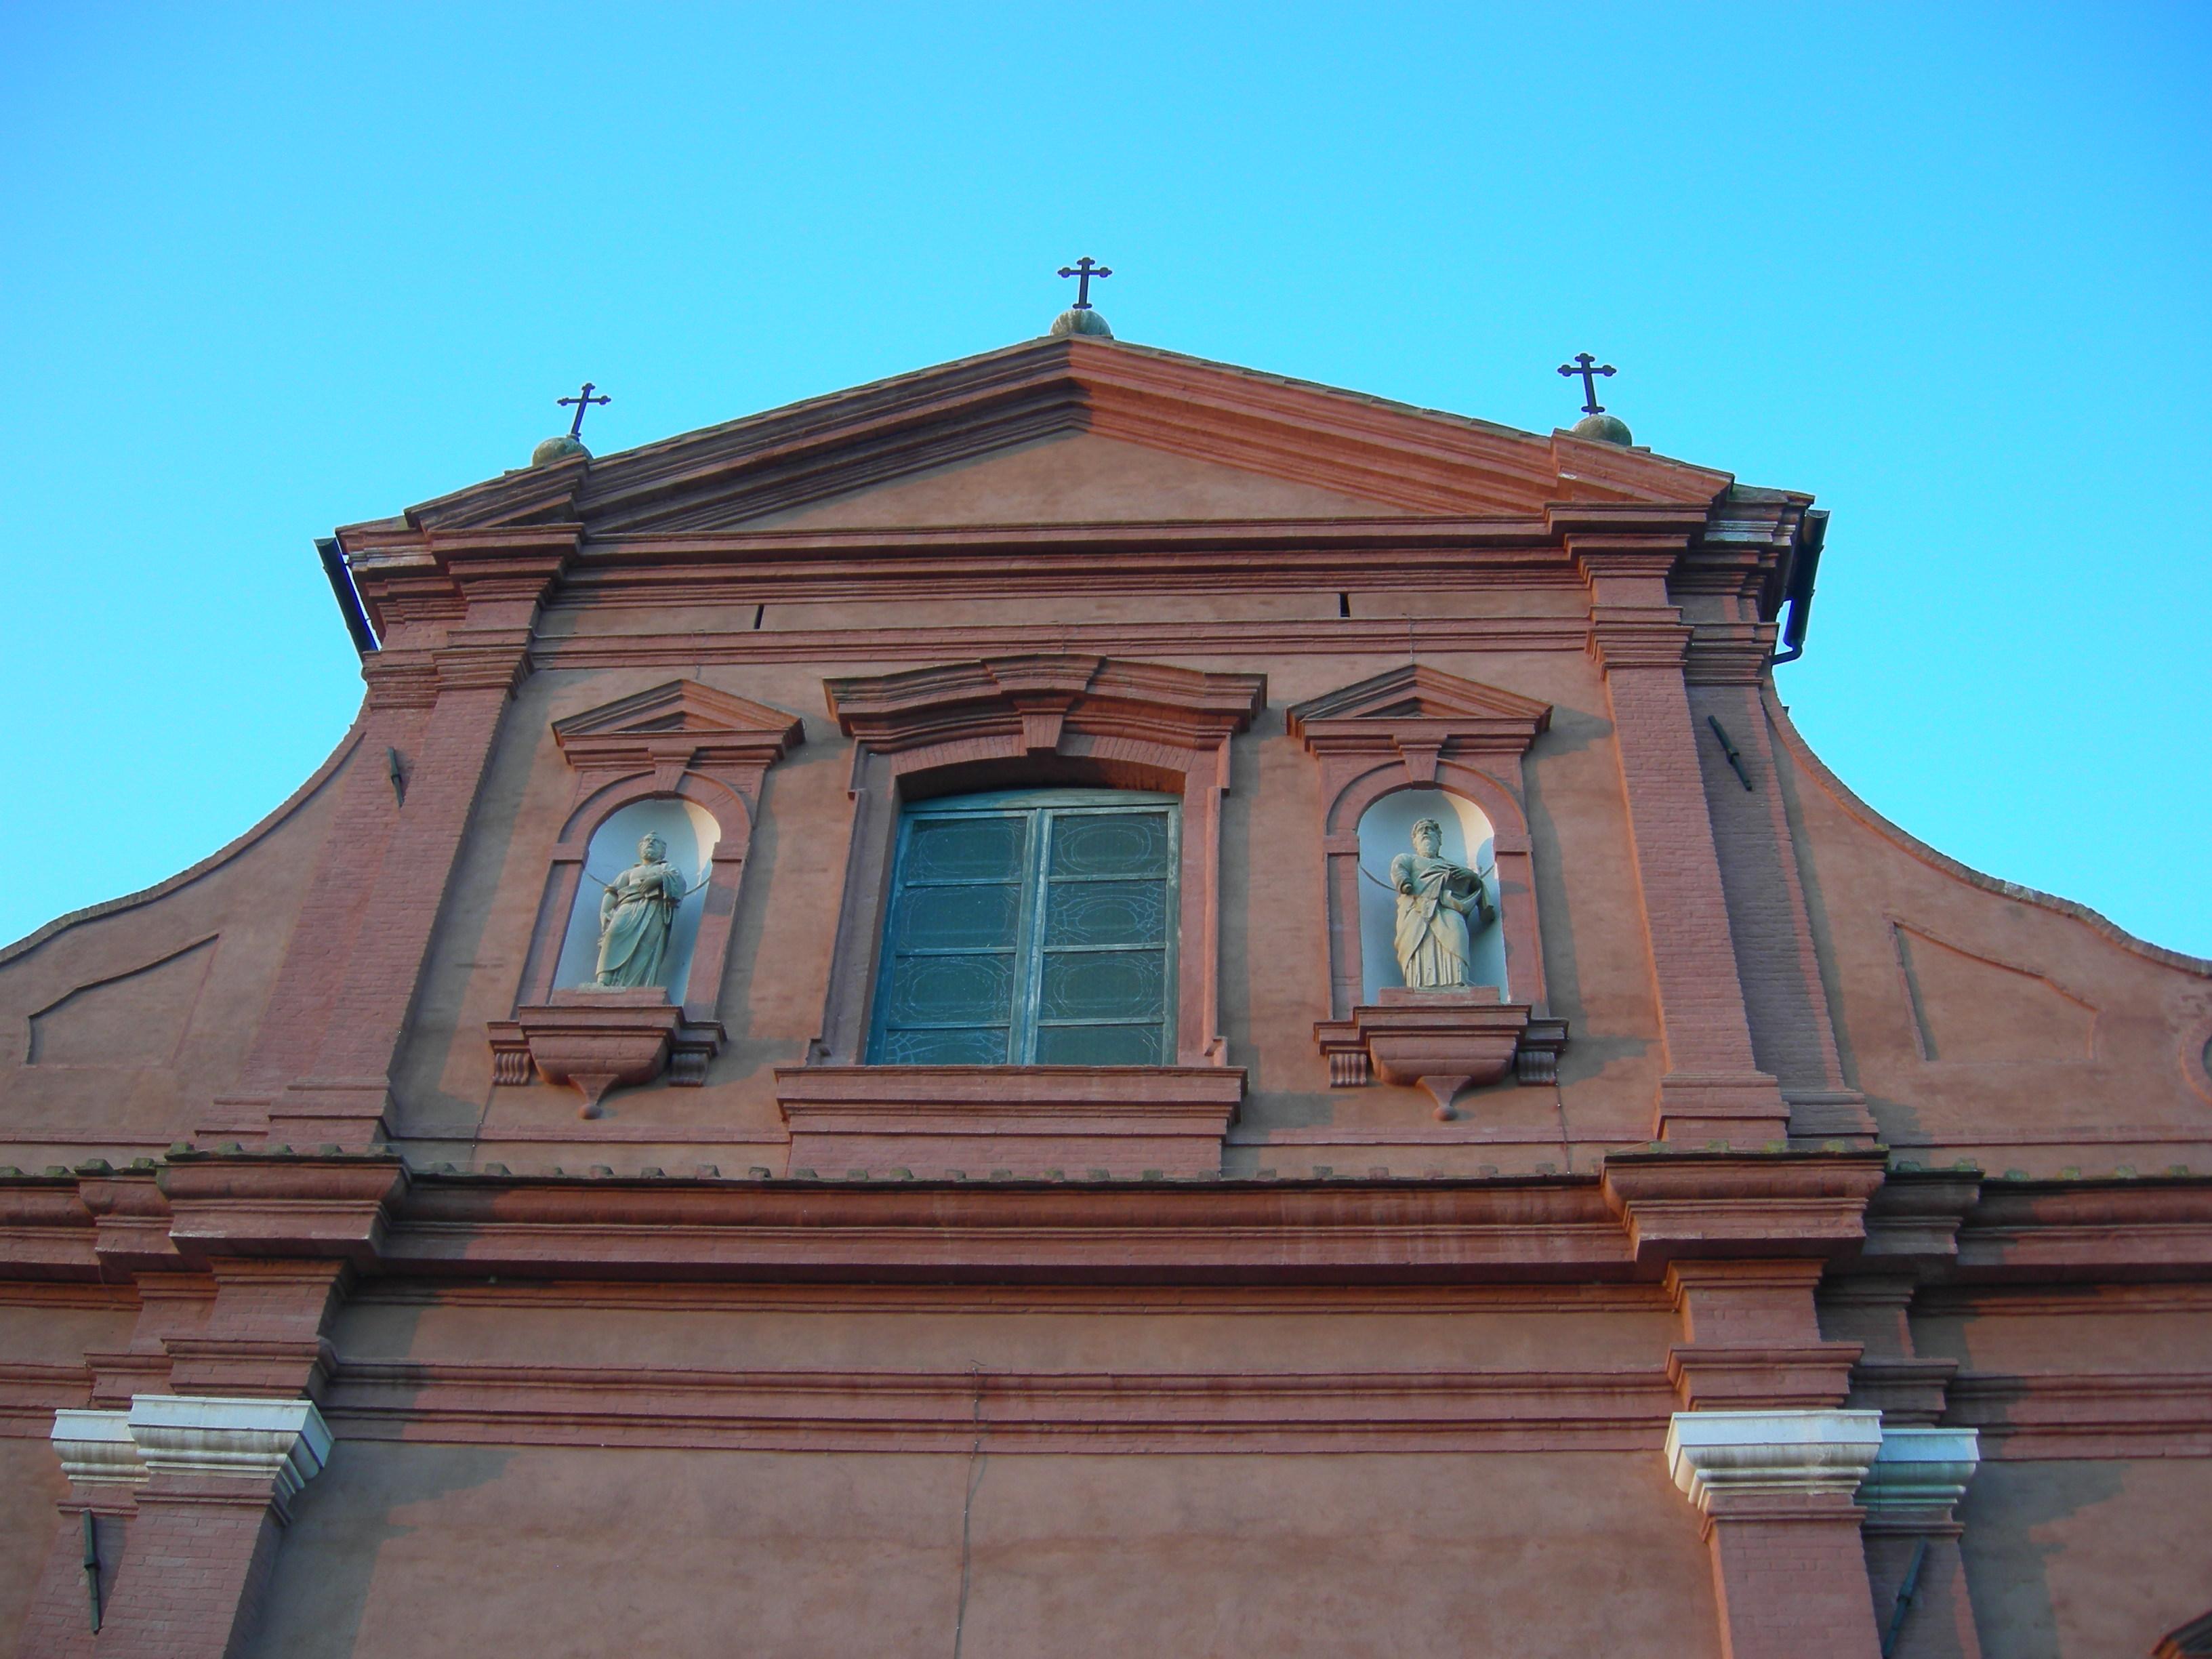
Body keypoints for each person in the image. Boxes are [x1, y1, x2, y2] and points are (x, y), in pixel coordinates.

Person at [1389, 817, 1492, 989]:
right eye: (1421, 831)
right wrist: (1404, 882)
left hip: (1447, 908)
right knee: (1418, 943)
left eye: (1430, 829)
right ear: (1415, 842)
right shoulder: (1408, 859)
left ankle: (1457, 980)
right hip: (1417, 909)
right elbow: (1398, 869)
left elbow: (1472, 888)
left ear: (1439, 840)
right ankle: (1419, 983)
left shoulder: (1451, 866)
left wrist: (1472, 878)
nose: (1425, 832)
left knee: (1456, 936)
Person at [593, 832, 688, 989]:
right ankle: (604, 980)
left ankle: (636, 985)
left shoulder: (666, 867)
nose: (650, 843)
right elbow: (613, 892)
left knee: (646, 945)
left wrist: (658, 879)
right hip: (628, 907)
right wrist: (605, 911)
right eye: (647, 841)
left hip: (654, 908)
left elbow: (679, 882)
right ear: (640, 848)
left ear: (663, 851)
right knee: (613, 935)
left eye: (655, 842)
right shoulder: (629, 873)